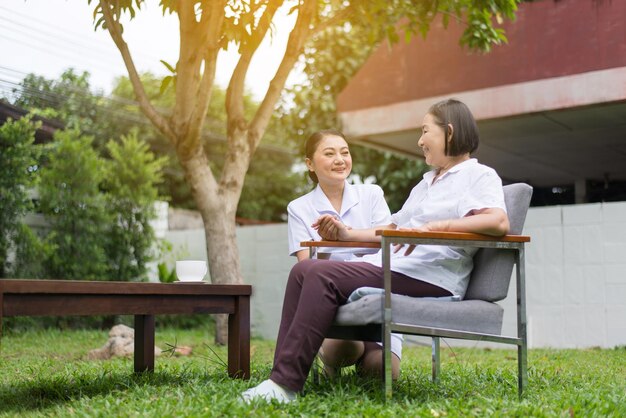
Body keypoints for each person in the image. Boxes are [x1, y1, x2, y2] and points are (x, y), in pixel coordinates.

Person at [241, 98, 510, 403]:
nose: (420, 140)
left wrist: (433, 227)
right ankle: (281, 381)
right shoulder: (427, 184)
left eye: (425, 131)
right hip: (396, 267)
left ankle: (285, 384)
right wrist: (346, 234)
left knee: (318, 274)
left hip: (430, 275)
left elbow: (498, 221)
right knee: (303, 269)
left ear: (448, 132)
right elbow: (393, 230)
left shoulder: (479, 175)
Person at [286, 129, 403, 381]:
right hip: (333, 299)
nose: (340, 159)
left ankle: (369, 356)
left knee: (382, 373)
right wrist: (328, 244)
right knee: (345, 349)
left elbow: (389, 242)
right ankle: (330, 361)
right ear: (310, 164)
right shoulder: (299, 208)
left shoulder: (371, 194)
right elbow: (306, 270)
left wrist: (347, 235)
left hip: (374, 291)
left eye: (345, 152)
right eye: (329, 153)